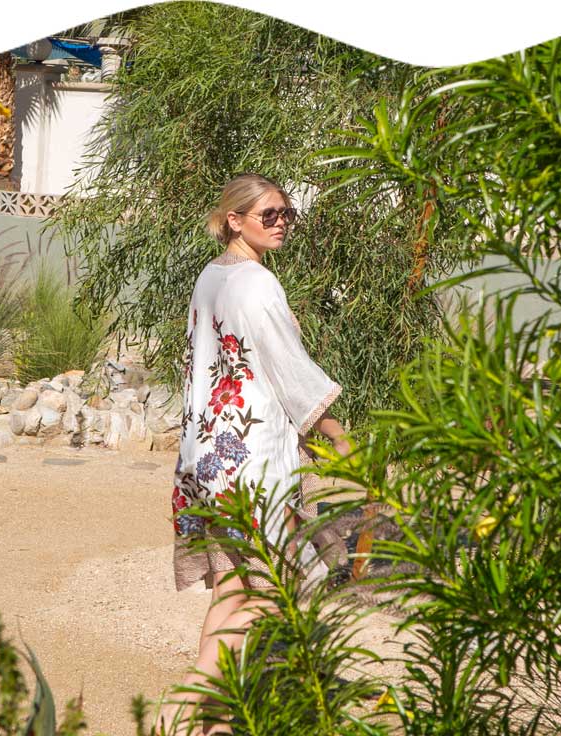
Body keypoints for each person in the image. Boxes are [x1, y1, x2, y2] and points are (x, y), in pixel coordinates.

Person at [165, 173, 352, 734]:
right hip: (253, 461)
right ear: (234, 220)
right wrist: (339, 436)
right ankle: (177, 713)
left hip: (207, 460)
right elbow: (291, 373)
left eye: (286, 213)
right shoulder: (257, 285)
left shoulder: (210, 278)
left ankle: (212, 725)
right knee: (272, 596)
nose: (280, 222)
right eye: (267, 213)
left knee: (231, 595)